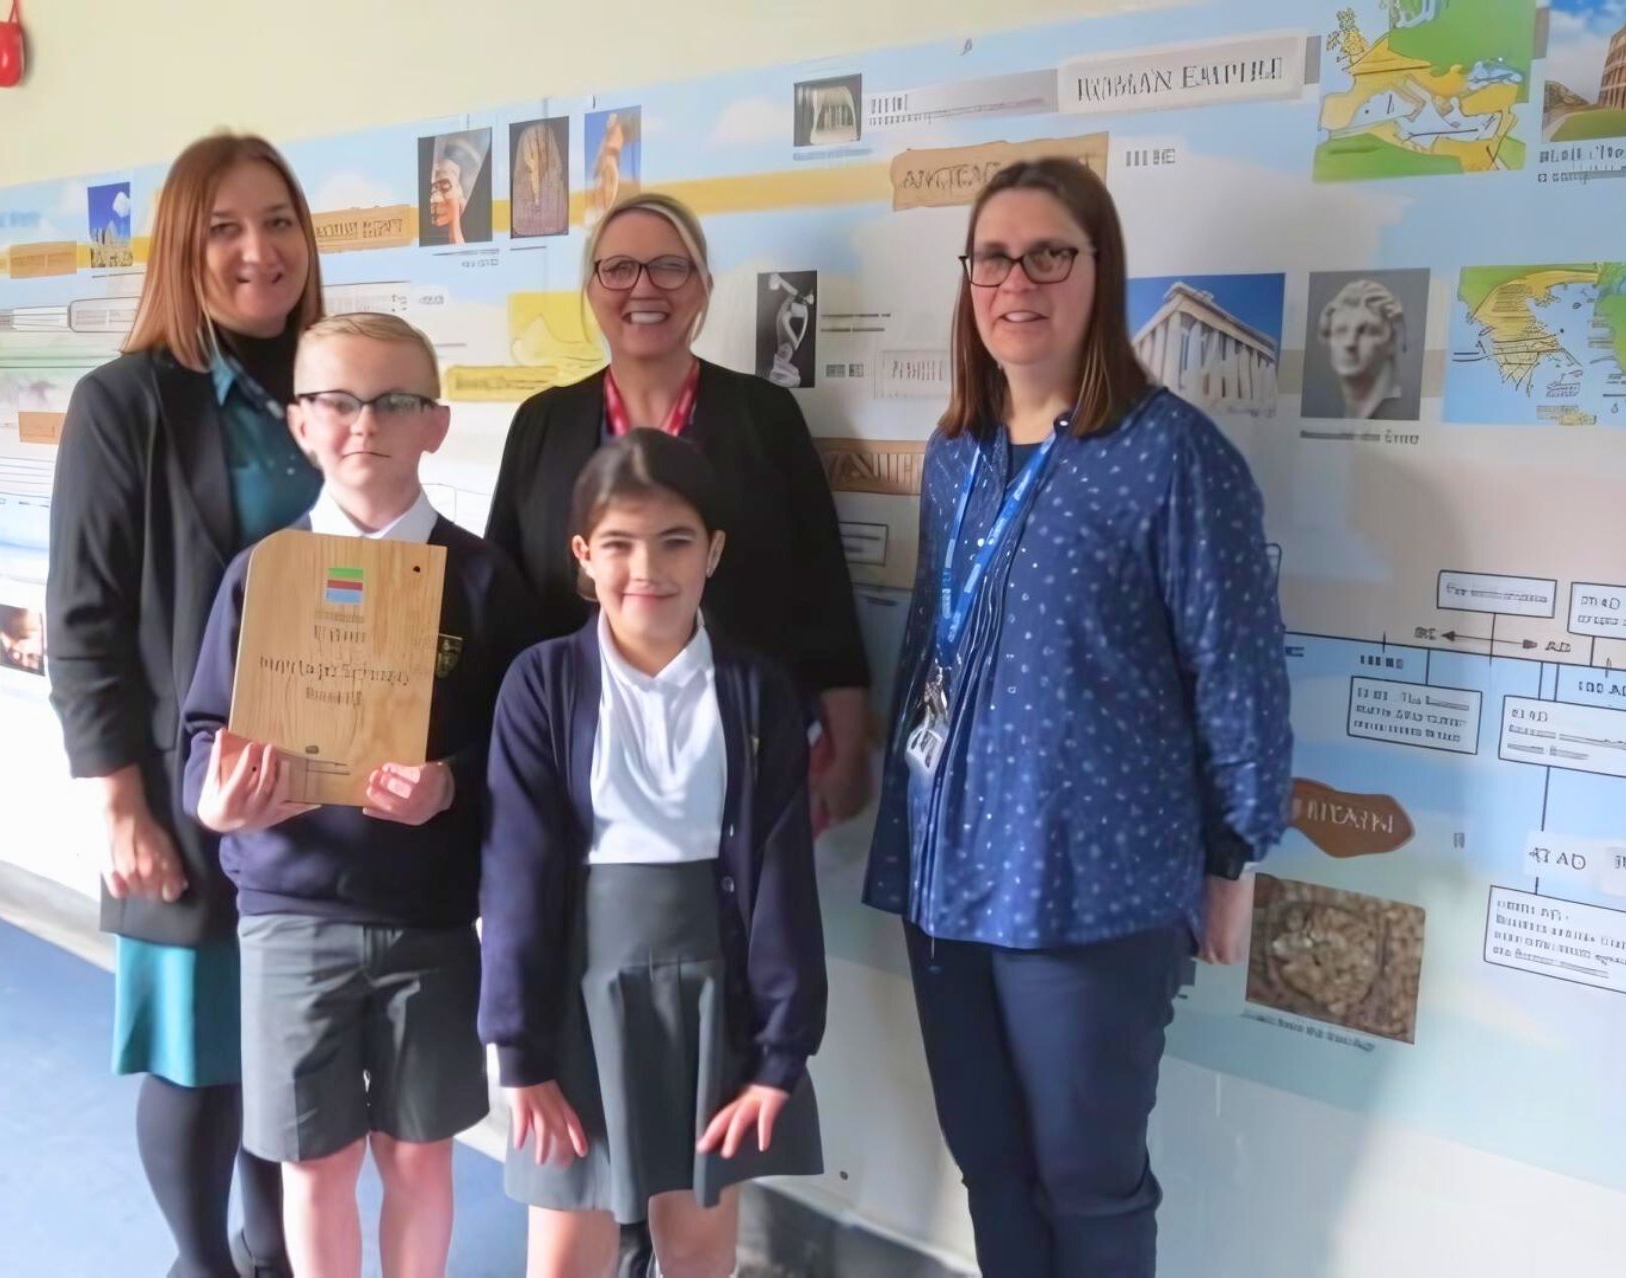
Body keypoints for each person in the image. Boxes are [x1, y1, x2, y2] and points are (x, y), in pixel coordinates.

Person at [864, 158, 1293, 1278]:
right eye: (993, 257)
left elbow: (1237, 676)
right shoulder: (956, 457)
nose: (1019, 280)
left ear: (1100, 272)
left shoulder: (1173, 458)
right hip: (948, 880)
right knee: (992, 1171)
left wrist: (1231, 859)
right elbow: (930, 654)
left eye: (1050, 252)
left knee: (1089, 1189)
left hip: (1090, 885)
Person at [182, 313, 533, 1278]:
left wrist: (448, 785)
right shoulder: (261, 576)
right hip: (291, 914)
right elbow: (201, 737)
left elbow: (519, 753)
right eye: (336, 400)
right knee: (315, 1159)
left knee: (420, 1152)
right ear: (300, 423)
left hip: (428, 920)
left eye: (394, 402)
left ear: (437, 424)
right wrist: (220, 803)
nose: (363, 423)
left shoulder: (483, 583)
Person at [46, 132, 323, 1278]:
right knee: (198, 1049)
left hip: (320, 786)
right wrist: (121, 805)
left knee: (283, 1046)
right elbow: (83, 616)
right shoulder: (127, 404)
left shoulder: (330, 387)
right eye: (225, 228)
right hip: (187, 790)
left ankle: (271, 1253)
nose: (259, 251)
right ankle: (202, 1264)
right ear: (181, 249)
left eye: (279, 222)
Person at [480, 428, 827, 1278]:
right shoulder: (542, 683)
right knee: (565, 1250)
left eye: (675, 541)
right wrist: (520, 1053)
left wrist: (779, 1056)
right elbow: (516, 875)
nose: (648, 568)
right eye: (619, 545)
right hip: (576, 997)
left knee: (699, 1243)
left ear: (713, 551)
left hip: (715, 996)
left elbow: (783, 882)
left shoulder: (756, 691)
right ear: (582, 557)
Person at [485, 191, 872, 842]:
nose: (644, 287)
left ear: (704, 289)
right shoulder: (541, 424)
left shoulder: (764, 416)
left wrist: (851, 744)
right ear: (591, 289)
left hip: (737, 751)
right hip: (574, 755)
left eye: (670, 267)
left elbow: (822, 589)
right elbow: (502, 601)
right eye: (619, 268)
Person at [1320, 277, 1406, 420]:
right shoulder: (1335, 414)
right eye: (1341, 330)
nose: (1350, 343)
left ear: (1391, 342)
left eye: (1365, 332)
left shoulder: (1402, 415)